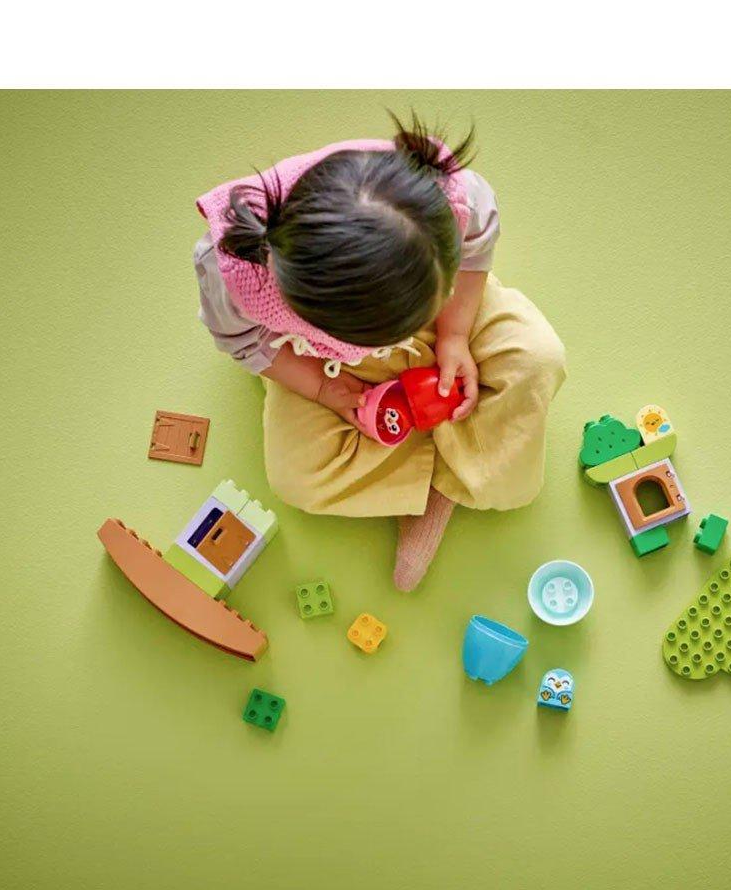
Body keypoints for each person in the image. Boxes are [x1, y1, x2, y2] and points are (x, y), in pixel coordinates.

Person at [194, 114, 566, 591]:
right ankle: (435, 478)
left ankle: (444, 486)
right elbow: (246, 342)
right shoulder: (234, 276)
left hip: (451, 308)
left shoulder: (447, 196)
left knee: (538, 358)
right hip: (319, 358)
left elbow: (476, 248)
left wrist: (453, 333)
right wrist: (322, 388)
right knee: (297, 478)